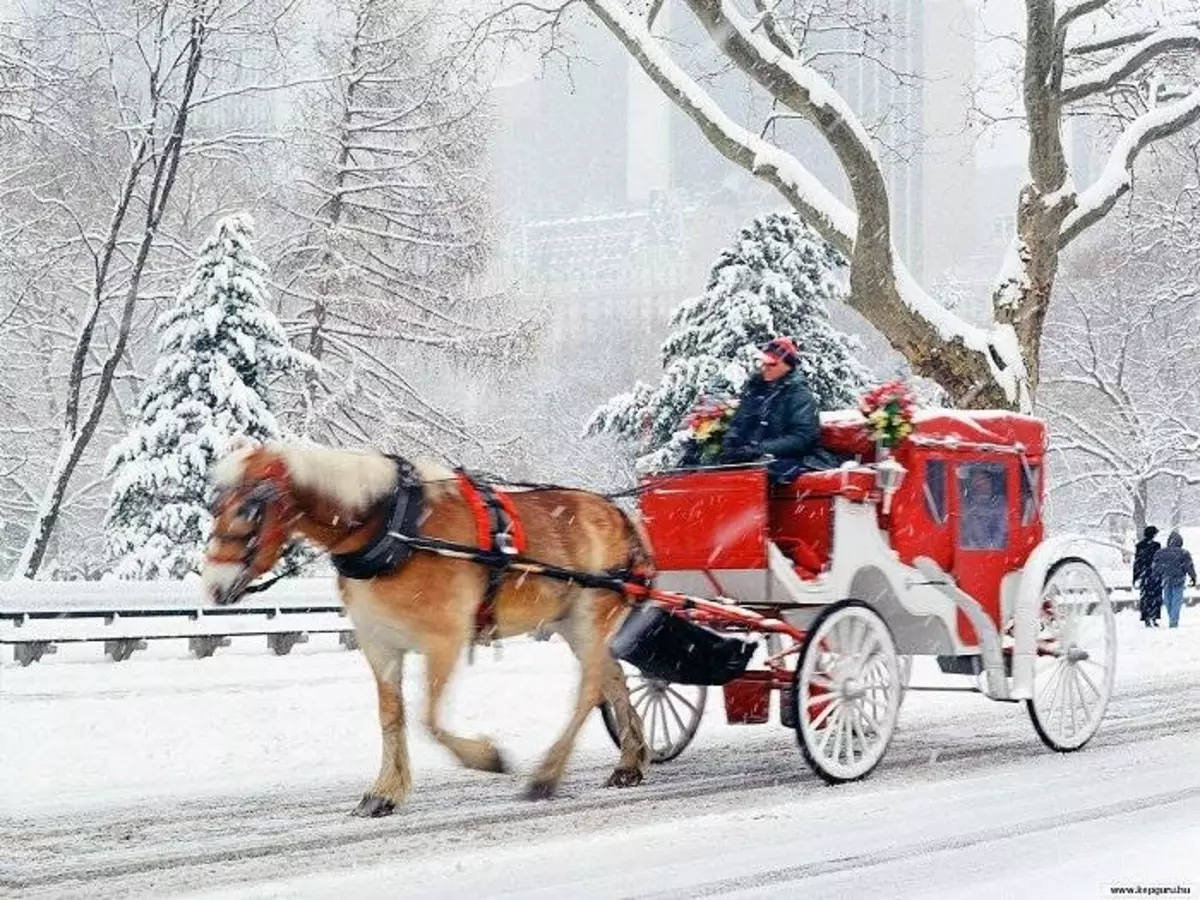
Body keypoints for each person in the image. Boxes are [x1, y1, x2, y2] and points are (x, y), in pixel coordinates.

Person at [716, 337, 837, 484]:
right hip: (756, 458)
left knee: (758, 476)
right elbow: (739, 421)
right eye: (763, 363)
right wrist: (731, 443)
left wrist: (760, 449)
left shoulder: (799, 395)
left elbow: (802, 438)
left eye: (771, 364)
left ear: (787, 366)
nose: (764, 368)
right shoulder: (755, 390)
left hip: (794, 459)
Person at [1150, 530, 1197, 629]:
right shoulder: (1183, 553)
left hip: (1166, 578)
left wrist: (1155, 576)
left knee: (1167, 599)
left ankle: (1172, 617)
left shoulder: (1160, 552)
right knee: (1176, 600)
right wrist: (1193, 577)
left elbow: (1155, 566)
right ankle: (1173, 621)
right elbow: (1188, 566)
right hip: (1178, 578)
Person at [959, 467, 1007, 550]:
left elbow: (996, 542)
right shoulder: (964, 506)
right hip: (969, 555)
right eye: (976, 480)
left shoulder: (1002, 505)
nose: (979, 484)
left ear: (991, 482)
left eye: (983, 479)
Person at [1132, 525, 1163, 627]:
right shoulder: (1157, 546)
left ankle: (1146, 618)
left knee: (1145, 597)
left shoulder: (1139, 546)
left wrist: (1135, 577)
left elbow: (1137, 562)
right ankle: (1154, 617)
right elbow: (1159, 561)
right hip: (1155, 574)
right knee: (1156, 597)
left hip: (1144, 575)